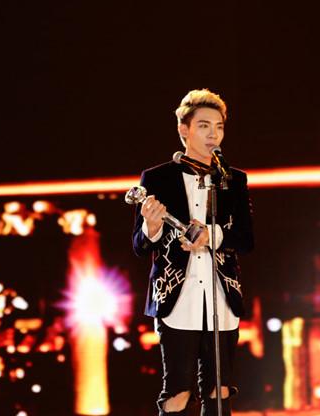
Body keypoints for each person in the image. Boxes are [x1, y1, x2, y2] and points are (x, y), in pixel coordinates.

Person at [132, 89, 254, 415]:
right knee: (178, 392)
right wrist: (153, 226)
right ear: (183, 129)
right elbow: (140, 245)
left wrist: (211, 235)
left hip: (221, 297)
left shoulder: (233, 180)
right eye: (204, 126)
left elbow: (245, 240)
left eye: (219, 127)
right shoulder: (156, 178)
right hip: (177, 298)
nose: (214, 134)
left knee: (220, 390)